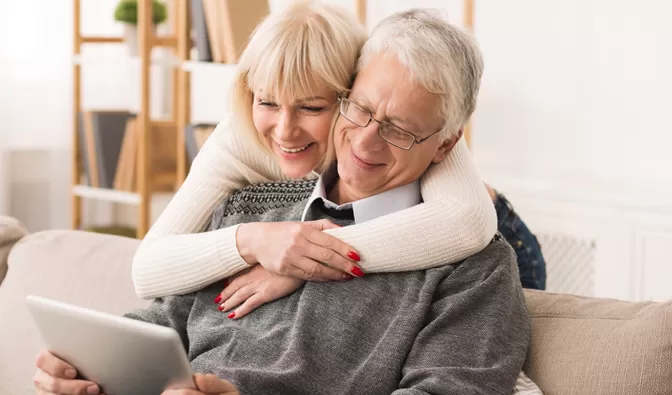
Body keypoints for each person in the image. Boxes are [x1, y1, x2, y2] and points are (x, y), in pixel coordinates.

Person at [32, 8, 533, 395]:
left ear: (447, 145)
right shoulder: (251, 203)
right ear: (346, 95)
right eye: (359, 110)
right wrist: (88, 364)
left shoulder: (476, 266)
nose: (364, 143)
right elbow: (171, 320)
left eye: (400, 130)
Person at [130, 0, 498, 303]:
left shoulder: (413, 125)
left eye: (311, 108)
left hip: (497, 231)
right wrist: (255, 241)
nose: (285, 131)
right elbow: (147, 270)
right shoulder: (238, 139)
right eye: (267, 101)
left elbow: (468, 222)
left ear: (349, 88)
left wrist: (302, 258)